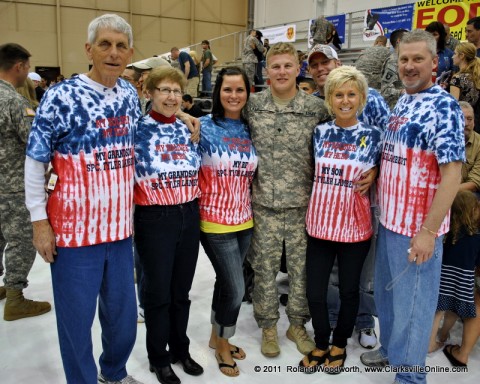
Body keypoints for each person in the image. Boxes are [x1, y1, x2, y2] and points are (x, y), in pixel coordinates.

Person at [25, 14, 143, 384]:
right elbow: (35, 159)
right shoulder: (62, 96)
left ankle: (114, 373)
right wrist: (39, 222)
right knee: (76, 323)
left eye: (121, 46)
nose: (113, 52)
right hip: (74, 235)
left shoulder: (128, 94)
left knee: (123, 319)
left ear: (130, 53)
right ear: (89, 49)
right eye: (105, 44)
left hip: (120, 231)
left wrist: (184, 115)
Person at [360, 29, 465, 384]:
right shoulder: (403, 101)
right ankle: (390, 350)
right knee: (389, 302)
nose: (409, 66)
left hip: (417, 231)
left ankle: (410, 378)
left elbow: (452, 175)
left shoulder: (444, 106)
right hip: (389, 222)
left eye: (418, 59)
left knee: (415, 308)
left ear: (435, 63)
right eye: (404, 59)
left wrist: (428, 232)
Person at [246, 42, 329, 358]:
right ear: (267, 71)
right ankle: (268, 326)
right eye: (275, 66)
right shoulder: (252, 106)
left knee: (301, 271)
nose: (281, 72)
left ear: (298, 69)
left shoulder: (316, 109)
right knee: (264, 270)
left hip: (303, 206)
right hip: (263, 204)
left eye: (287, 66)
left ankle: (297, 324)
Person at [299, 66, 383, 374]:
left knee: (349, 291)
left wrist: (375, 172)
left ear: (360, 98)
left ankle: (339, 344)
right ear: (329, 99)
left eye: (351, 94)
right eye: (338, 94)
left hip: (356, 227)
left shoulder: (374, 136)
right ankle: (321, 342)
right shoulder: (319, 132)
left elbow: (385, 172)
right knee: (315, 291)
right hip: (320, 224)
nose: (344, 100)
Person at [133, 66, 203, 384]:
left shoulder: (188, 127)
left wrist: (187, 118)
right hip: (154, 217)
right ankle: (158, 358)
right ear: (149, 93)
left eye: (176, 90)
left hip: (188, 214)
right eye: (164, 89)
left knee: (181, 293)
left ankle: (180, 350)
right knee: (157, 294)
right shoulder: (137, 129)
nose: (171, 96)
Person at [198, 67, 258, 377]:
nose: (233, 96)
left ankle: (214, 335)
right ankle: (224, 343)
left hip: (244, 219)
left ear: (248, 93)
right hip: (213, 219)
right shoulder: (203, 127)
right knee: (235, 288)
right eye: (227, 90)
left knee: (226, 283)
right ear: (217, 92)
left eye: (239, 90)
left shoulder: (251, 128)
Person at [0, 43, 51, 321]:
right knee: (19, 240)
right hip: (12, 187)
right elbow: (35, 146)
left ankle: (3, 287)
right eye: (28, 66)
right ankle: (15, 299)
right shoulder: (14, 102)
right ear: (19, 66)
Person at [427, 191, 480, 369]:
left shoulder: (446, 234)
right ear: (472, 210)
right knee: (453, 311)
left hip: (443, 277)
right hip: (463, 281)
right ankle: (443, 335)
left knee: (438, 310)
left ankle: (430, 343)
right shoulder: (477, 237)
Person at [450, 42, 480, 132]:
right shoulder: (476, 76)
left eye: (455, 54)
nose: (452, 56)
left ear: (462, 55)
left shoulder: (457, 78)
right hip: (473, 121)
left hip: (460, 122)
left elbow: (454, 105)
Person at [381, 28, 408, 110]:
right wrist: (403, 92)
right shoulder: (393, 61)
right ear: (399, 41)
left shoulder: (404, 59)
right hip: (396, 108)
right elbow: (385, 90)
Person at [458, 102, 480, 194]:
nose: (466, 123)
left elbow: (475, 182)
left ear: (474, 122)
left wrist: (447, 191)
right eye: (461, 118)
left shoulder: (479, 143)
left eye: (469, 119)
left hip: (466, 193)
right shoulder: (441, 140)